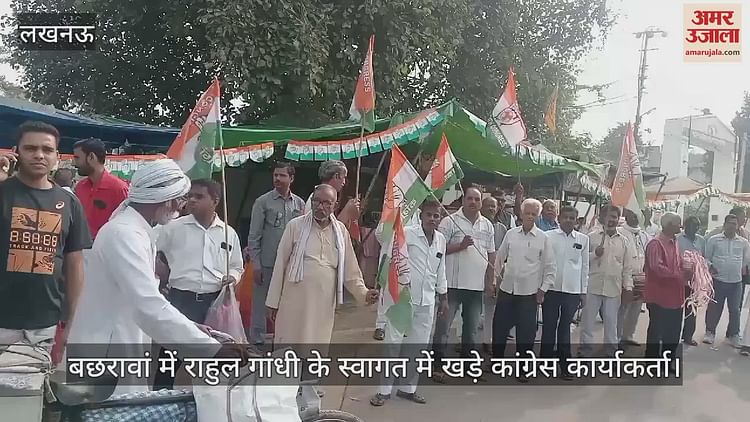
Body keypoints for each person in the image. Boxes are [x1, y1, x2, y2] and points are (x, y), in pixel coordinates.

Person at [67, 159, 246, 397]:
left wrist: (193, 327)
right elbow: (148, 304)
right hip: (107, 344)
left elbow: (146, 301)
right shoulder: (124, 234)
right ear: (166, 199)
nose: (181, 206)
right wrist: (212, 350)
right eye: (180, 199)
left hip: (124, 340)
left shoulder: (140, 232)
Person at [0, 121, 91, 354]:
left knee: (37, 377)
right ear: (16, 152)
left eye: (47, 149)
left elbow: (74, 264)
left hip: (45, 324)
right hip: (2, 320)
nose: (39, 155)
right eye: (30, 148)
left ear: (56, 156)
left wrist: (73, 320)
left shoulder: (69, 203)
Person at [266, 184, 378, 345]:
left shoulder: (340, 231)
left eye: (326, 203)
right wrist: (272, 302)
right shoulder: (295, 226)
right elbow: (280, 264)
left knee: (315, 347)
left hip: (323, 304)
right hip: (293, 302)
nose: (320, 207)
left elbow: (350, 270)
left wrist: (364, 293)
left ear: (335, 206)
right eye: (317, 201)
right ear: (311, 201)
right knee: (288, 347)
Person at [370, 200, 448, 407]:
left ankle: (408, 389)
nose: (432, 219)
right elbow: (388, 253)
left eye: (436, 216)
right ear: (421, 216)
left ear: (440, 218)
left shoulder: (441, 240)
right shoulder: (406, 234)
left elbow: (441, 270)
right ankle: (383, 391)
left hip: (427, 301)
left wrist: (444, 297)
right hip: (402, 299)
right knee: (393, 345)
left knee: (418, 346)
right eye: (429, 214)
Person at [431, 187, 496, 381]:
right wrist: (460, 246)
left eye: (477, 199)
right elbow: (437, 248)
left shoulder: (487, 225)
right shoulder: (449, 221)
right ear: (463, 200)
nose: (473, 202)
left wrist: (490, 281)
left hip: (476, 287)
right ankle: (437, 365)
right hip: (452, 285)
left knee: (471, 329)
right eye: (470, 198)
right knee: (443, 328)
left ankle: (468, 365)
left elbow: (491, 255)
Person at [492, 198, 555, 380]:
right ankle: (497, 362)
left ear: (538, 216)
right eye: (527, 213)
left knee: (526, 333)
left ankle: (523, 368)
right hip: (507, 289)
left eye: (534, 214)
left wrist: (543, 289)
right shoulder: (511, 234)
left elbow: (550, 267)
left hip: (529, 293)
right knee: (499, 328)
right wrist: (494, 281)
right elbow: (499, 258)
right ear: (521, 213)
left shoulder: (544, 238)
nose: (530, 216)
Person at [245, 162, 305, 345]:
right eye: (275, 175)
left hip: (290, 264)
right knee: (261, 303)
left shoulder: (299, 204)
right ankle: (257, 341)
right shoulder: (263, 202)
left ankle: (282, 337)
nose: (277, 178)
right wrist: (256, 265)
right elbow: (254, 236)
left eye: (282, 175)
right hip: (267, 263)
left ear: (291, 179)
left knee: (287, 303)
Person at [538, 205, 588, 379]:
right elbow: (542, 263)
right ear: (559, 219)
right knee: (549, 326)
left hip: (572, 291)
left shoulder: (583, 239)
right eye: (565, 217)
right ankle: (545, 363)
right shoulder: (548, 236)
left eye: (572, 218)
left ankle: (565, 364)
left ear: (576, 221)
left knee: (565, 327)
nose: (568, 220)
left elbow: (585, 267)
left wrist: (583, 291)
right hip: (551, 289)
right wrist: (541, 288)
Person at [580, 204, 634, 356]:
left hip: (613, 287)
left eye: (614, 217)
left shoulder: (624, 241)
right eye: (609, 216)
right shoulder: (591, 237)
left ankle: (611, 352)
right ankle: (585, 350)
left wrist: (628, 287)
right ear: (602, 218)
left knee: (611, 322)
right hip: (593, 285)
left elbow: (627, 268)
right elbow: (581, 261)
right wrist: (594, 254)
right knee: (588, 321)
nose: (612, 220)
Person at [644, 212, 688, 370]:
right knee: (657, 331)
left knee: (673, 331)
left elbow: (678, 262)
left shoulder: (674, 241)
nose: (681, 226)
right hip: (659, 296)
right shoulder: (655, 243)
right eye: (678, 223)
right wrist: (678, 275)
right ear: (669, 225)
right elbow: (656, 267)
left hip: (676, 296)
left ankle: (668, 361)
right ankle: (652, 362)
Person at [703, 213, 750, 348]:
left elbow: (746, 260)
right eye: (729, 223)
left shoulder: (744, 243)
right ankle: (710, 332)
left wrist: (737, 268)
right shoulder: (714, 240)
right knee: (714, 308)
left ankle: (733, 336)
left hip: (736, 282)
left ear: (737, 226)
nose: (732, 226)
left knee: (735, 310)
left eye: (734, 224)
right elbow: (706, 258)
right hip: (718, 280)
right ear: (724, 225)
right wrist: (711, 266)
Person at [72, 137, 129, 240]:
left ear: (91, 157)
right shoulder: (80, 187)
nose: (74, 163)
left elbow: (127, 225)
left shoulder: (119, 189)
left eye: (77, 158)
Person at [617, 208, 651, 347]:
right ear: (626, 216)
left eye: (637, 215)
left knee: (636, 309)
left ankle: (628, 335)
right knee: (622, 308)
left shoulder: (644, 235)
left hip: (640, 277)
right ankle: (617, 337)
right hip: (624, 276)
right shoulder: (619, 232)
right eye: (632, 215)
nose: (635, 218)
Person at [480, 196, 506, 353]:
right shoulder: (477, 225)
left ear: (497, 209)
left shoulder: (502, 229)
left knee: (490, 308)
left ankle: (487, 340)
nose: (491, 209)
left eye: (493, 206)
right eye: (487, 205)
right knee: (470, 309)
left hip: (495, 272)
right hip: (476, 270)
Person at [304, 160, 360, 227]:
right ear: (336, 176)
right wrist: (346, 211)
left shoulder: (324, 197)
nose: (344, 182)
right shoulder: (318, 198)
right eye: (344, 177)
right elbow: (327, 229)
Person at [677, 216, 705, 346]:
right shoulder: (678, 239)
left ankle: (688, 336)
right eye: (693, 225)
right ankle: (675, 336)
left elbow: (704, 257)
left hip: (695, 281)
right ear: (686, 226)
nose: (695, 228)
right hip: (680, 280)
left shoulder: (701, 240)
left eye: (697, 225)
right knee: (677, 310)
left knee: (692, 309)